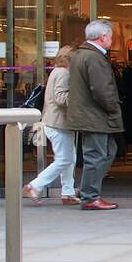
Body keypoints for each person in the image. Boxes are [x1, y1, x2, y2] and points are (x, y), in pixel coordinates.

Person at [68, 20, 124, 211]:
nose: (111, 40)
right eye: (110, 37)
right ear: (102, 37)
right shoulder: (93, 58)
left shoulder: (81, 55)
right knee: (97, 154)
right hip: (95, 116)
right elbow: (101, 89)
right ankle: (90, 196)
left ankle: (88, 191)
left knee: (107, 151)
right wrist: (112, 108)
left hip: (91, 114)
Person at [22, 46, 79, 205]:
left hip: (56, 122)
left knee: (70, 158)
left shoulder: (56, 72)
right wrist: (79, 96)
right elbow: (61, 98)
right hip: (57, 123)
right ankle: (34, 185)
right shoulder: (63, 73)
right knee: (64, 159)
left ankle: (68, 192)